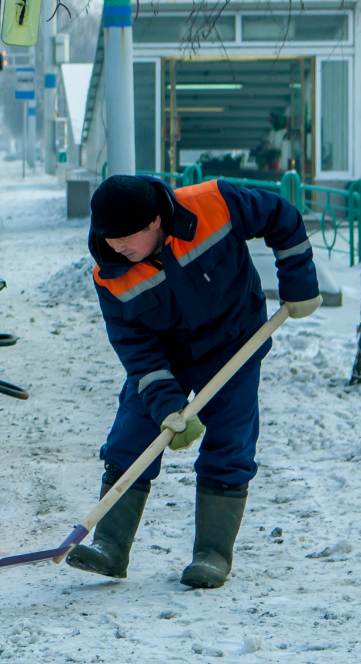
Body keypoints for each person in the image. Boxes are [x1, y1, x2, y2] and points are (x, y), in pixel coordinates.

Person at [68, 174, 321, 588]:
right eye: (108, 239)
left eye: (124, 238)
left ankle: (212, 554)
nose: (116, 248)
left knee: (231, 439)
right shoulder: (109, 273)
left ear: (154, 222)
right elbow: (136, 350)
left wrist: (299, 281)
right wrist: (166, 404)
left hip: (233, 340)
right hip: (166, 356)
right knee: (132, 435)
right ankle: (110, 546)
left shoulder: (214, 203)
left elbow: (281, 216)